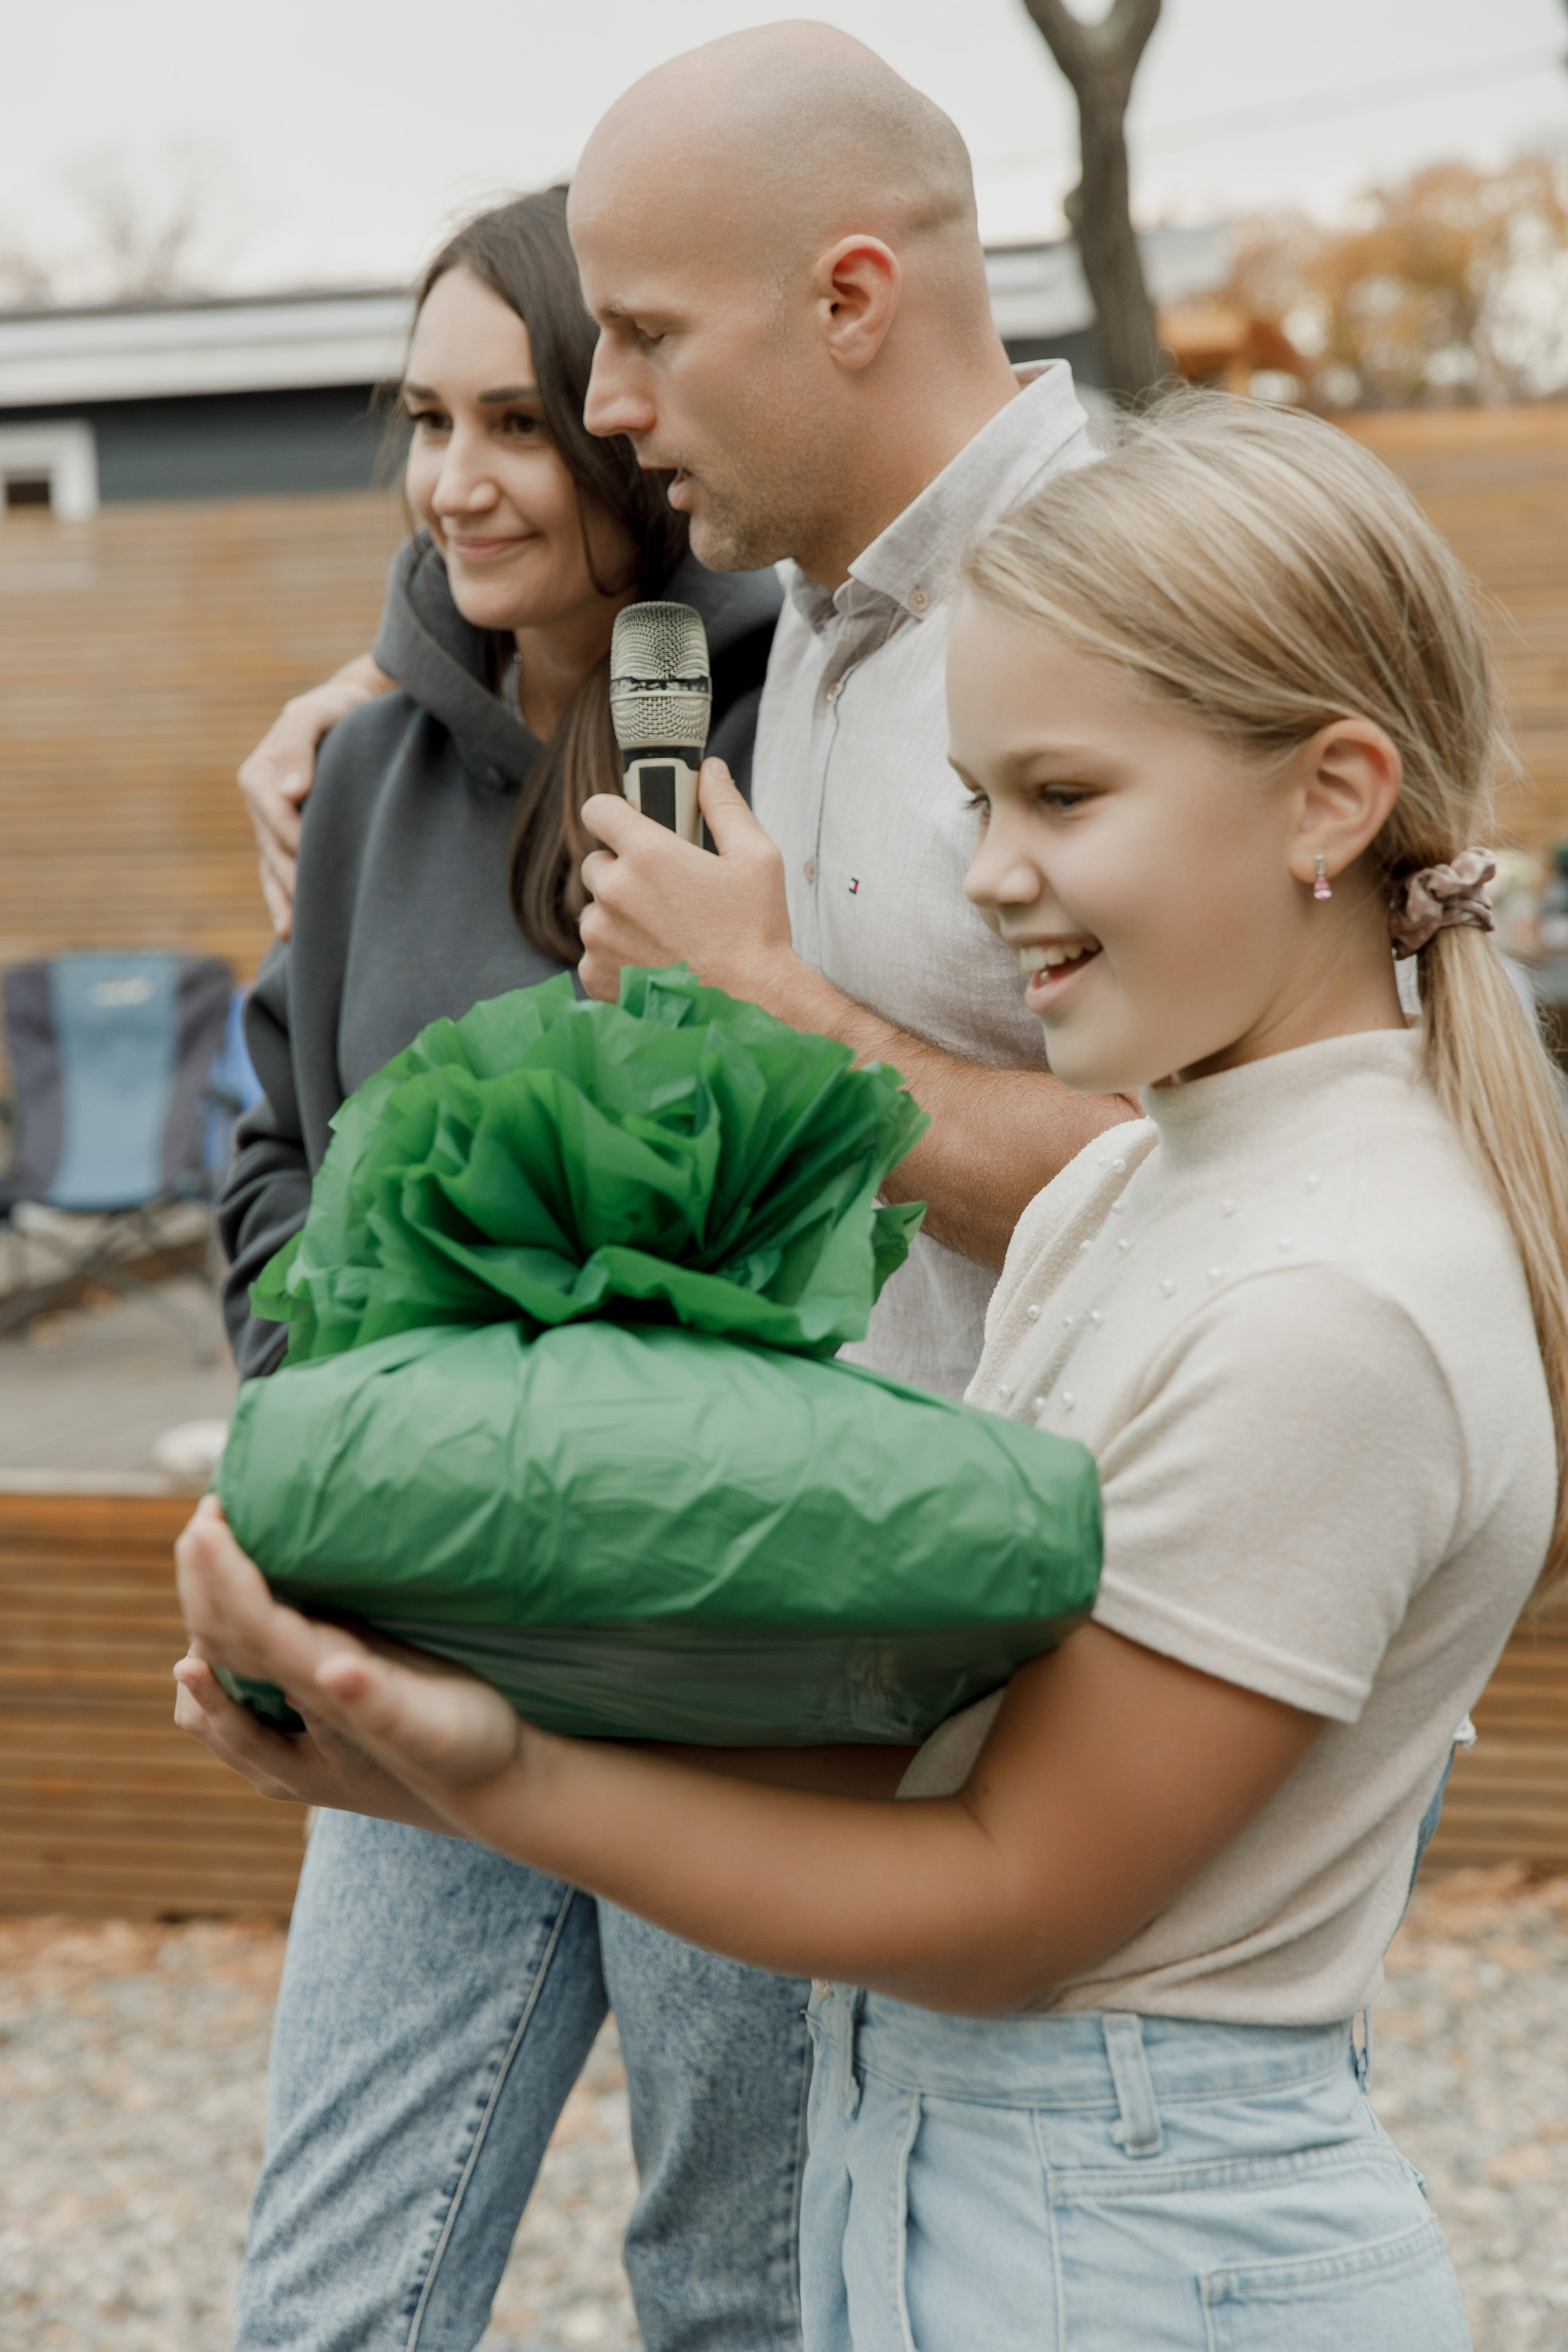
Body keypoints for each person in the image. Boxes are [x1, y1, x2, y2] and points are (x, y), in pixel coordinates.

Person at [179, 393, 1567, 2350]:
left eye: (1062, 799)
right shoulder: (1150, 1189)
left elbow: (1005, 1899)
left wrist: (503, 1779)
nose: (992, 877)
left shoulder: (1335, 1301)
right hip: (1007, 2226)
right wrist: (411, 1738)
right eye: (979, 801)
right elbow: (946, 1753)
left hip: (1142, 2273)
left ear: (1331, 800)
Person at [198, 185, 798, 2352]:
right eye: (428, 421)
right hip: (431, 1613)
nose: (456, 480)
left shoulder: (798, 726)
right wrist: (349, 1388)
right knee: (331, 2298)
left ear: (630, 431)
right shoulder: (363, 769)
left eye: (518, 424)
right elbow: (277, 1149)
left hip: (730, 1650)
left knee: (738, 2289)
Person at [235, 21, 1136, 1405]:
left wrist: (766, 1007)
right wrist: (384, 684)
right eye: (430, 419)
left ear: (848, 302)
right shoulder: (824, 614)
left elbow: (1217, 1181)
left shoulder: (1128, 608)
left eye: (647, 336)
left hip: (1084, 1520)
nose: (605, 403)